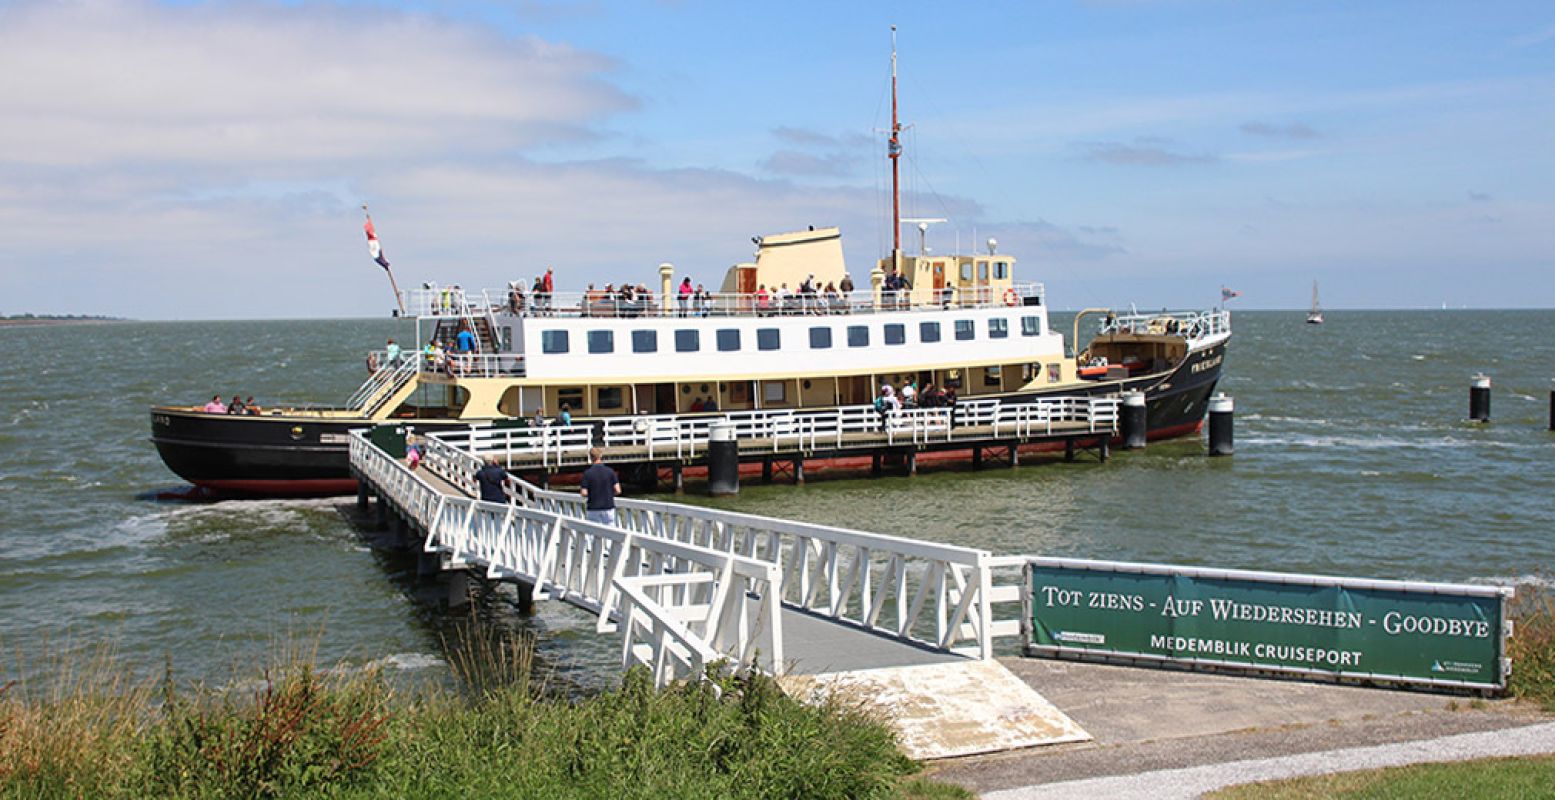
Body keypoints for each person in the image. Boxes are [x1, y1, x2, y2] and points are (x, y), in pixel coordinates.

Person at [579, 447, 621, 525]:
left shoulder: (587, 473)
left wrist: (593, 494)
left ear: (590, 457)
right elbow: (618, 490)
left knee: (593, 534)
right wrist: (608, 494)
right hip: (608, 507)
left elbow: (583, 493)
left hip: (593, 508)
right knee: (610, 533)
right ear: (601, 456)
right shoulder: (610, 471)